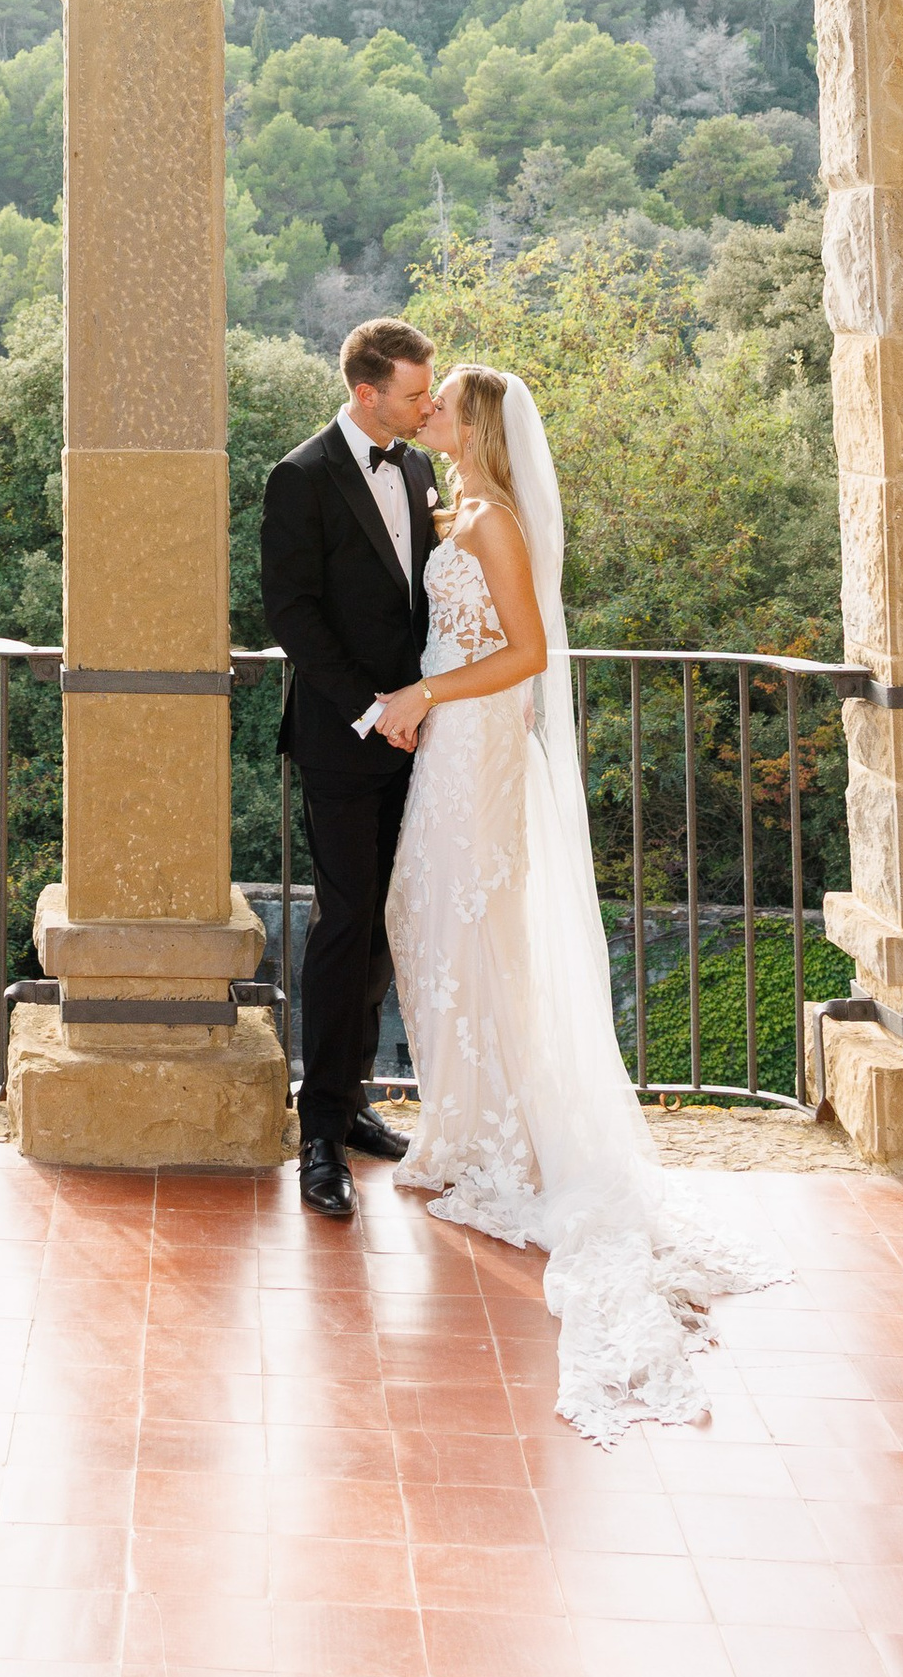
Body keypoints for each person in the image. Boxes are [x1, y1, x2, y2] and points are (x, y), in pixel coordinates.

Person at [376, 358, 780, 1445]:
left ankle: (493, 1138)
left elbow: (528, 652)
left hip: (478, 744)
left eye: (446, 400)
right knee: (427, 919)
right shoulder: (455, 503)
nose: (434, 411)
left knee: (468, 924)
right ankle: (462, 1121)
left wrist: (422, 690)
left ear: (477, 421)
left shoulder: (496, 521)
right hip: (447, 744)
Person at [256, 316, 440, 1225]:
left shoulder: (416, 466)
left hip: (425, 739)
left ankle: (355, 1098)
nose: (428, 404)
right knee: (342, 925)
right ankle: (318, 1132)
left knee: (382, 928)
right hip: (342, 737)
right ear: (367, 392)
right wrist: (372, 711)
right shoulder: (300, 476)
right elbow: (293, 615)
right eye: (414, 393)